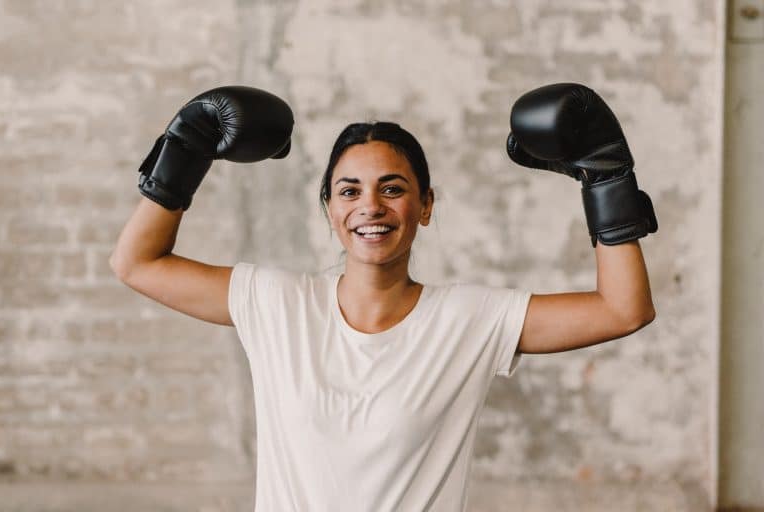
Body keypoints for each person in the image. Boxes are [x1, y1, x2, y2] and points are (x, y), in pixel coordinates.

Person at [109, 83, 656, 511]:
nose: (370, 206)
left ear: (425, 205)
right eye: (350, 191)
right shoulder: (278, 304)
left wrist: (605, 180)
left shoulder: (467, 320)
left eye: (392, 188)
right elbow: (136, 262)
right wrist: (184, 151)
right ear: (329, 208)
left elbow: (622, 309)